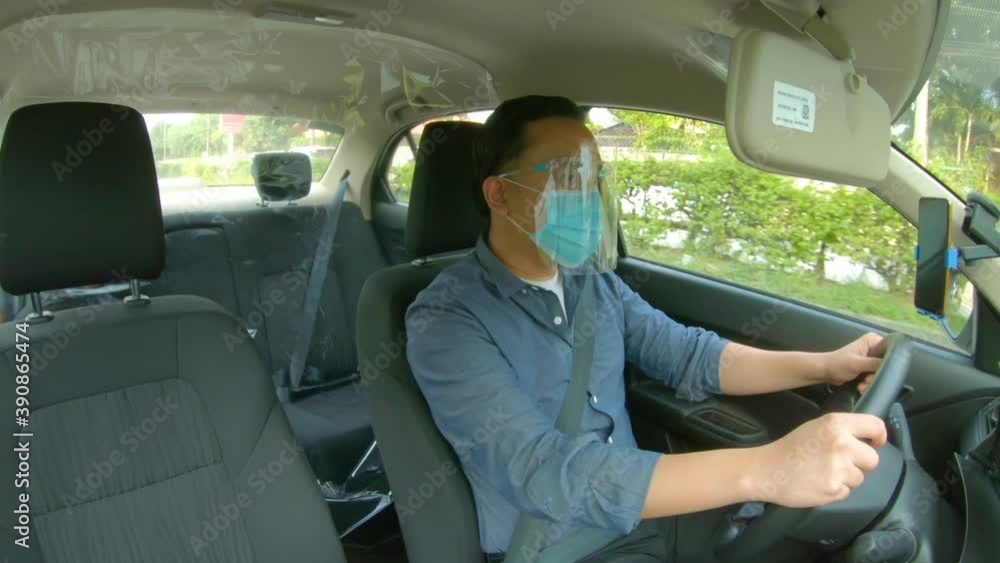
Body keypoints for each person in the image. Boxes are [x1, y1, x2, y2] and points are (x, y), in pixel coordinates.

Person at [405, 95, 886, 562]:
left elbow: (690, 356)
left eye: (595, 177)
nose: (588, 195)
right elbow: (543, 472)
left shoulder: (593, 282)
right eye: (568, 176)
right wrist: (767, 467)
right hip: (561, 544)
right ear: (499, 193)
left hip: (649, 515)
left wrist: (827, 366)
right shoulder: (446, 319)